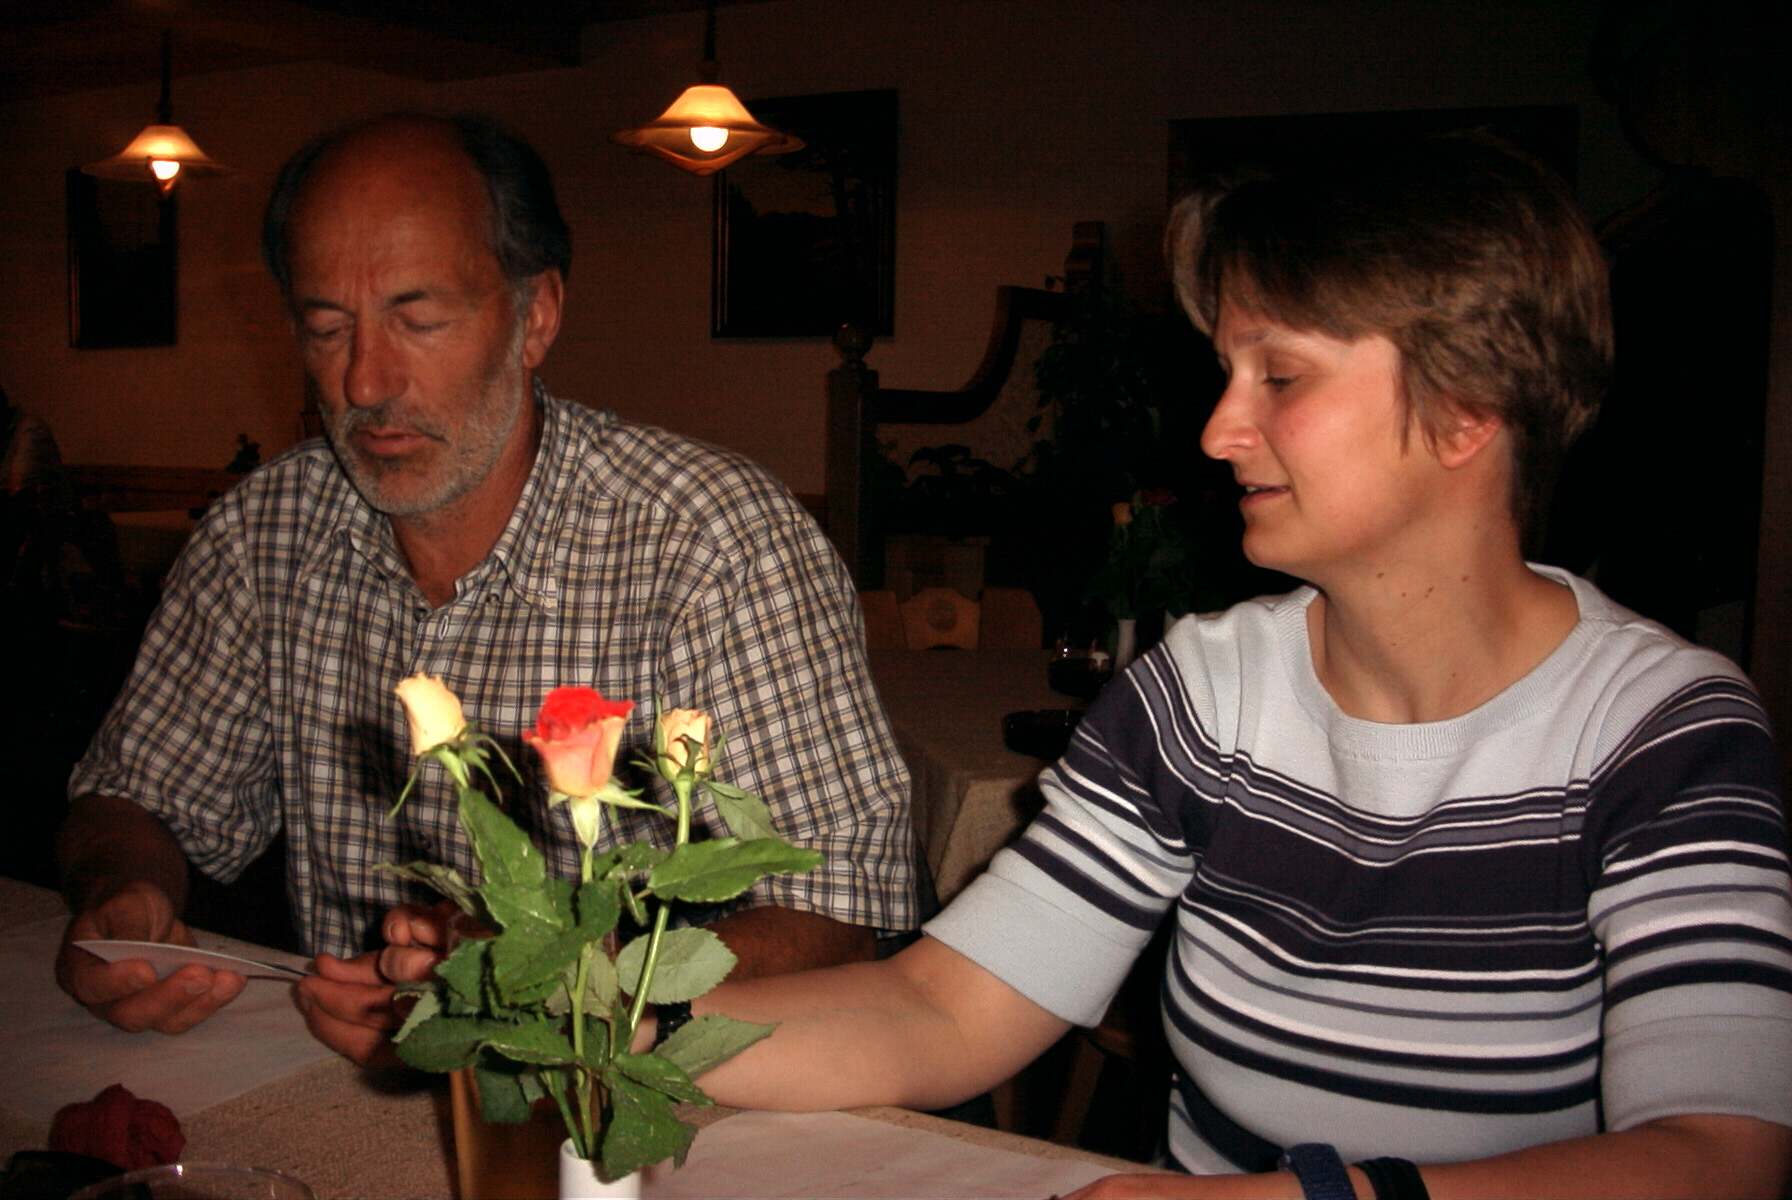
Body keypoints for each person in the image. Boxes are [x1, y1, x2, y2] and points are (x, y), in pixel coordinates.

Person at [659, 134, 1792, 1197]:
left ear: (1466, 410)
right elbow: (944, 1008)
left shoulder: (1660, 734)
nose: (1217, 430)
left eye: (1280, 378)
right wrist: (619, 1033)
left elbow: (1718, 1157)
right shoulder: (1207, 692)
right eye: (1227, 372)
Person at [54, 114, 916, 1064]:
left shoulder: (711, 543)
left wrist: (555, 989)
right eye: (327, 328)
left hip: (642, 1098)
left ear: (535, 315)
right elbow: (137, 799)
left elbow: (841, 913)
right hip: (343, 1082)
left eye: (419, 321)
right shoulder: (264, 535)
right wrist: (122, 894)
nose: (364, 381)